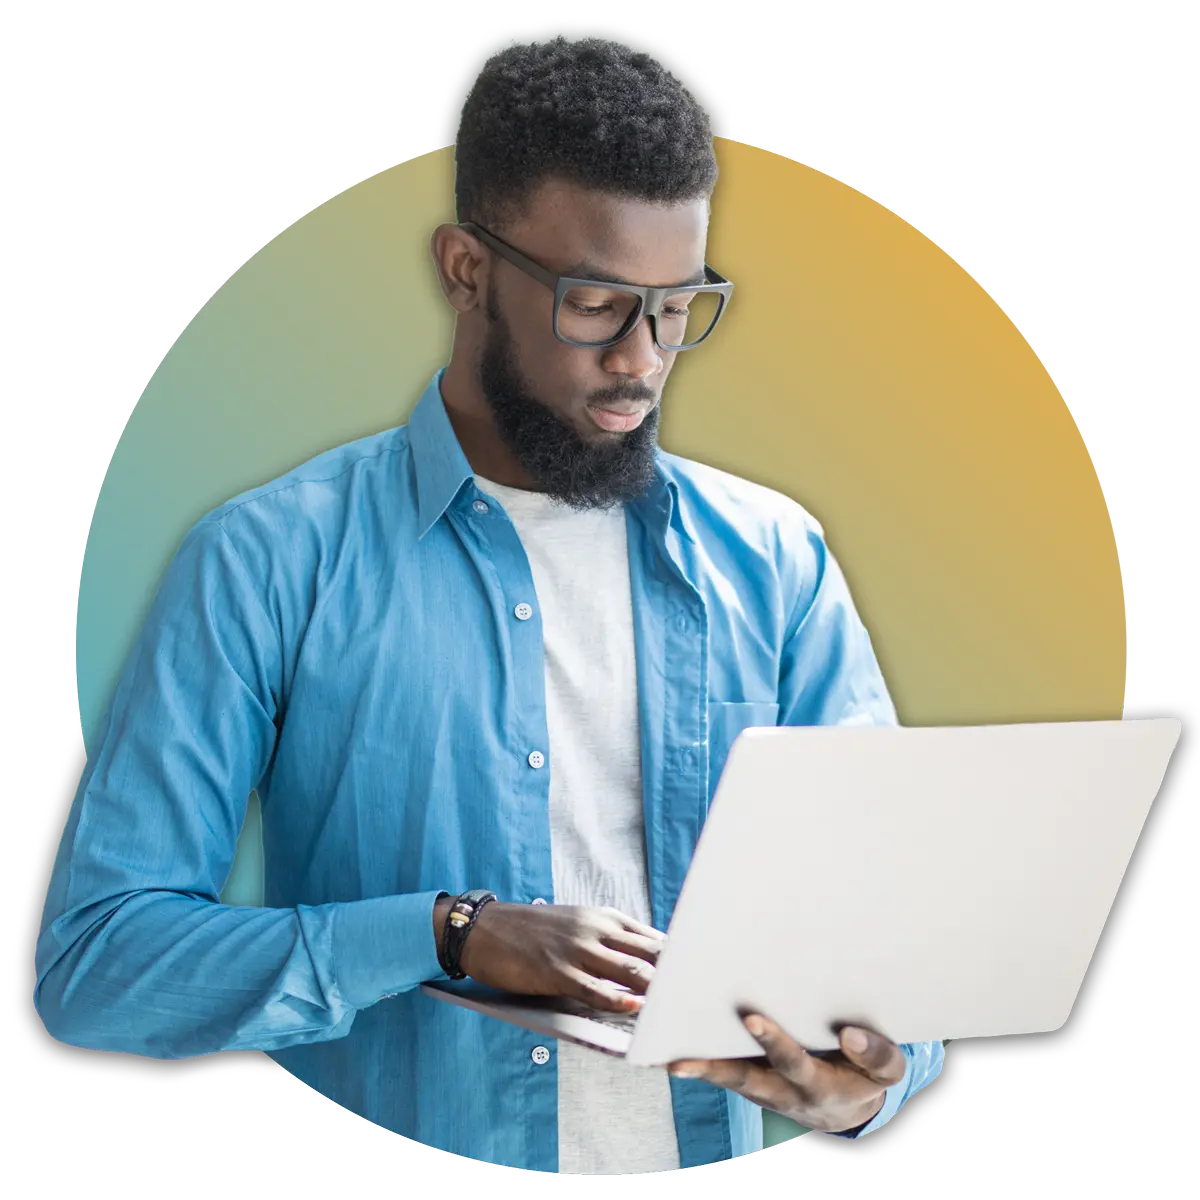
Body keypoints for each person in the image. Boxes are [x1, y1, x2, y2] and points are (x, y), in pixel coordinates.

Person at [34, 31, 945, 1174]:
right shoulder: (266, 561)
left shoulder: (777, 557)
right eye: (599, 303)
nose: (645, 359)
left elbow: (893, 953)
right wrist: (443, 935)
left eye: (679, 307)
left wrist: (872, 1080)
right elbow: (101, 970)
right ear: (466, 270)